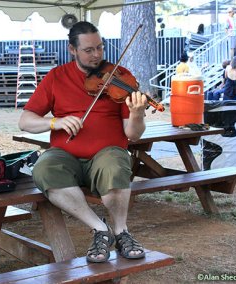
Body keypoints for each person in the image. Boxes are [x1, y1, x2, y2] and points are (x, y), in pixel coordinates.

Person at [18, 21, 148, 263]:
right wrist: (54, 123)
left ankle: (121, 231)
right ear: (72, 49)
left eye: (100, 47)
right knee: (45, 168)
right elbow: (25, 121)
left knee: (115, 166)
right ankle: (99, 228)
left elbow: (133, 134)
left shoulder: (120, 77)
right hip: (65, 155)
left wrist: (138, 113)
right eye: (89, 50)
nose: (97, 55)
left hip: (107, 152)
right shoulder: (57, 77)